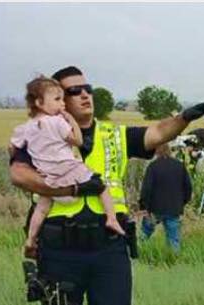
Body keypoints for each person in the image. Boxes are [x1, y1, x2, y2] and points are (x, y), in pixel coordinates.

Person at [9, 65, 204, 305]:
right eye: (73, 91)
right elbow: (19, 174)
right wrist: (72, 189)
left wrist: (185, 117)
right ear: (58, 100)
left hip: (109, 247)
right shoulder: (40, 132)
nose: (84, 95)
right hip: (60, 248)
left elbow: (158, 133)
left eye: (87, 88)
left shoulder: (113, 135)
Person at [10, 75, 124, 259]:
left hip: (48, 178)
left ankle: (31, 239)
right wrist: (71, 120)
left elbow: (12, 148)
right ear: (39, 102)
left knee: (41, 208)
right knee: (101, 186)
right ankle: (111, 219)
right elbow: (77, 140)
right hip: (69, 171)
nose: (62, 104)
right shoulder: (57, 122)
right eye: (57, 100)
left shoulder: (25, 128)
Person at [139, 143, 193, 251]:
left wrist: (144, 206)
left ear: (157, 152)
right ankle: (172, 261)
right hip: (174, 208)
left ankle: (137, 254)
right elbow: (188, 187)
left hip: (154, 208)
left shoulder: (153, 166)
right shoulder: (179, 166)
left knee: (144, 235)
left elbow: (146, 189)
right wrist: (182, 203)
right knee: (173, 239)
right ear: (169, 151)